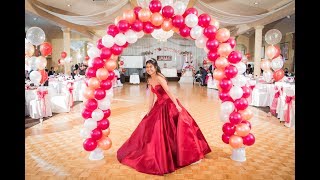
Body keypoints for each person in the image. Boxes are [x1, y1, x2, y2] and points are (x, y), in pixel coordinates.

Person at [117, 58, 211, 175]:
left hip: (169, 104)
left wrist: (177, 105)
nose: (149, 69)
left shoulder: (160, 78)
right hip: (159, 105)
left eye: (151, 67)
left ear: (155, 67)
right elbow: (151, 96)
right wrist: (149, 109)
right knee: (154, 128)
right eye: (147, 67)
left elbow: (169, 92)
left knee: (178, 129)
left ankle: (189, 154)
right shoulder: (150, 80)